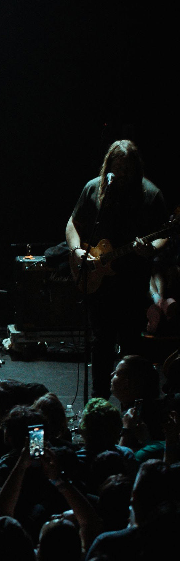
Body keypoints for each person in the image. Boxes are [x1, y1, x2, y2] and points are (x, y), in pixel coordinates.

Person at [65, 140, 168, 399]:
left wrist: (150, 248)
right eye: (116, 168)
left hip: (132, 283)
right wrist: (77, 251)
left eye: (126, 169)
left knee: (131, 347)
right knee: (101, 346)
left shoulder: (151, 195)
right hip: (99, 286)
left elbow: (164, 233)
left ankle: (132, 412)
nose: (120, 174)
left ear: (135, 169)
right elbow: (72, 224)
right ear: (108, 166)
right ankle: (98, 402)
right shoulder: (94, 189)